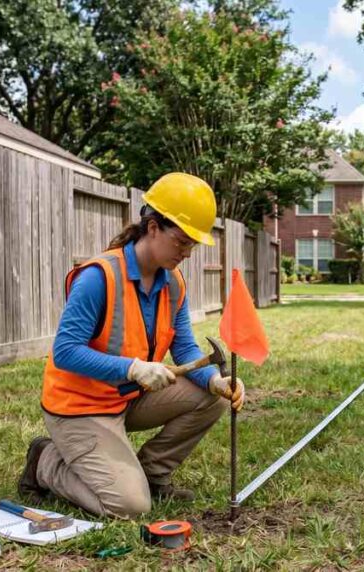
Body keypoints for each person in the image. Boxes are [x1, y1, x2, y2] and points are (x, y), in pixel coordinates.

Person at [17, 172, 245, 518]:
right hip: (81, 407)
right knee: (129, 506)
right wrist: (133, 368)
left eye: (192, 245)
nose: (187, 253)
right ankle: (45, 463)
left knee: (211, 398)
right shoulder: (99, 277)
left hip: (127, 398)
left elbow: (184, 347)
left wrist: (215, 380)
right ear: (153, 227)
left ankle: (152, 475)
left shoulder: (174, 284)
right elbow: (64, 351)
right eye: (181, 242)